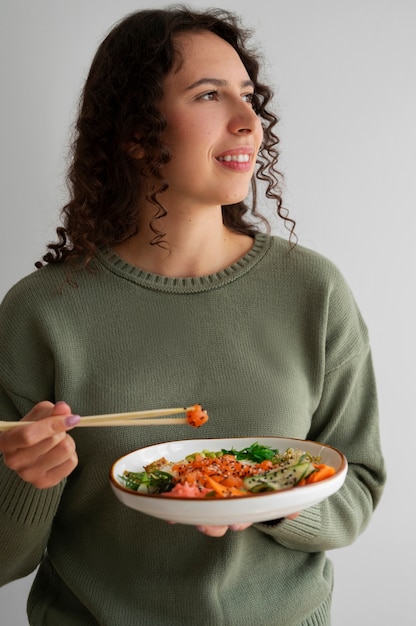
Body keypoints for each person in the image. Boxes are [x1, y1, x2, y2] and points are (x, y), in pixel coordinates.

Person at [0, 5, 386, 625]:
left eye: (250, 96)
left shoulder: (314, 290)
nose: (248, 122)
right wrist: (27, 478)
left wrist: (272, 498)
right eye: (209, 95)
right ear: (134, 131)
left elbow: (358, 486)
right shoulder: (41, 311)